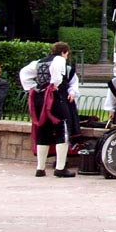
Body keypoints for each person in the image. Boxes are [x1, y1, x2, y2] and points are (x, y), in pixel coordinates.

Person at [18, 42, 76, 177]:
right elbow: (56, 77)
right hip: (54, 98)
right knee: (63, 128)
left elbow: (23, 73)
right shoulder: (60, 59)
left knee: (43, 129)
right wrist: (53, 85)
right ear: (65, 52)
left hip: (40, 98)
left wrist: (33, 87)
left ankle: (40, 168)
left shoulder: (38, 62)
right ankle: (60, 168)